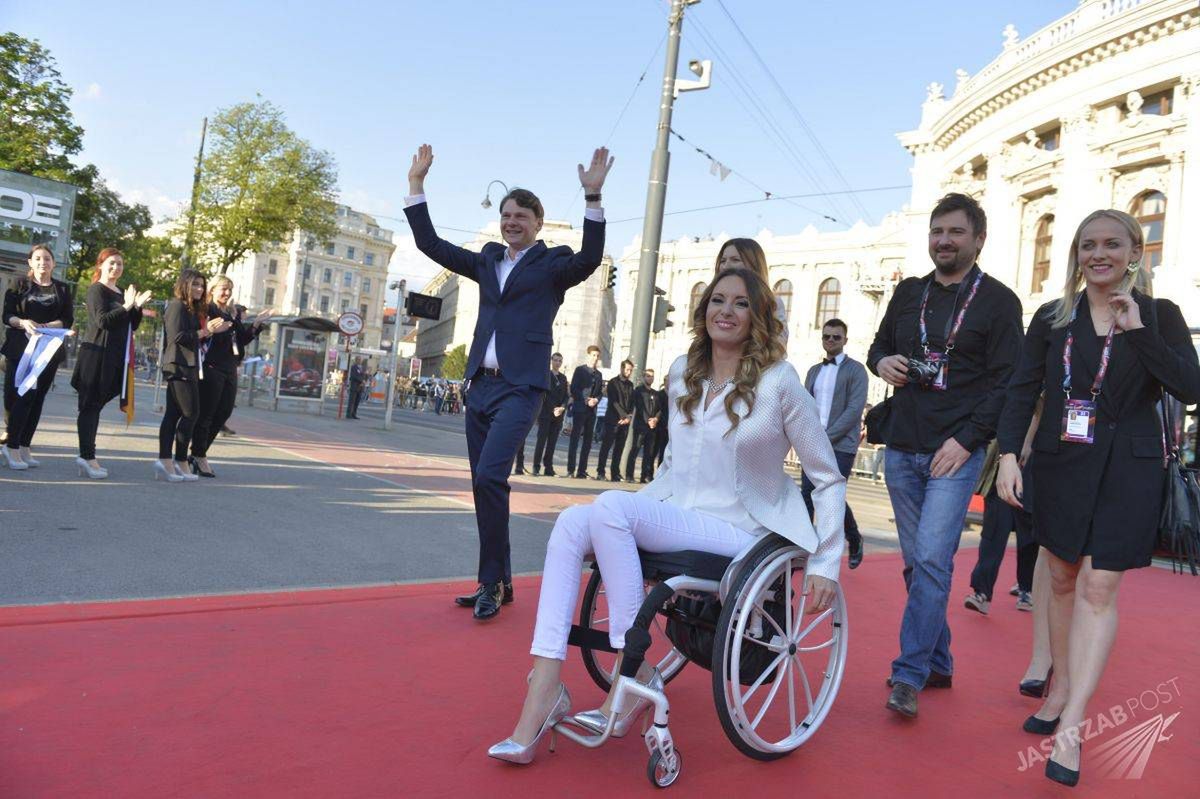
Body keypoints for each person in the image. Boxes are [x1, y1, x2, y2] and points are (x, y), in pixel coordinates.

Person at [487, 266, 846, 764]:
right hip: (681, 513)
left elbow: (827, 476)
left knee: (610, 506)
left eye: (741, 302)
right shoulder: (683, 372)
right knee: (574, 520)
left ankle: (629, 674)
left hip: (743, 532)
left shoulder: (779, 381)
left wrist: (826, 561)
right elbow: (676, 465)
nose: (726, 310)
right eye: (717, 300)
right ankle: (544, 689)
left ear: (758, 314)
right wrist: (643, 508)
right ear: (704, 311)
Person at [995, 209, 1200, 786]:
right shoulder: (1052, 318)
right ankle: (1059, 684)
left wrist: (1138, 331)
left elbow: (1190, 386)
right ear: (1077, 255)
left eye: (1112, 244)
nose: (1099, 254)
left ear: (1136, 252)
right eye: (1088, 245)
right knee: (1060, 579)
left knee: (1099, 585)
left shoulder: (1159, 315)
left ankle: (1074, 720)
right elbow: (1022, 389)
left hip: (1129, 472)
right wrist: (1010, 454)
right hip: (1062, 465)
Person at [405, 142, 612, 621]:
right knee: (483, 485)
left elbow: (590, 258)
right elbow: (431, 245)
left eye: (521, 215)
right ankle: (497, 580)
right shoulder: (487, 260)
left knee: (490, 476)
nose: (511, 222)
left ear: (538, 222)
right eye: (506, 215)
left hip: (522, 387)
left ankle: (491, 584)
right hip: (481, 384)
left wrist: (593, 199)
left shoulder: (552, 265)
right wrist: (416, 187)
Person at [867, 192, 1023, 718]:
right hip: (903, 447)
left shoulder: (1000, 303)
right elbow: (877, 347)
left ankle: (909, 674)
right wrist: (882, 360)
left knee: (932, 560)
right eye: (937, 231)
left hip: (954, 454)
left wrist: (968, 440)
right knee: (919, 565)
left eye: (956, 232)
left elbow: (1007, 384)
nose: (944, 241)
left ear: (978, 240)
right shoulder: (910, 293)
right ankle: (940, 661)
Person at [71, 248, 151, 479]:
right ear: (101, 265)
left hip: (115, 357)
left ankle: (87, 456)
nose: (116, 268)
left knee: (95, 404)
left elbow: (131, 325)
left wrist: (135, 307)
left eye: (119, 264)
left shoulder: (122, 292)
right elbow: (103, 321)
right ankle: (87, 457)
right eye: (112, 263)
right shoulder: (97, 290)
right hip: (96, 355)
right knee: (90, 406)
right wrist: (127, 306)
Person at [802, 318, 868, 568]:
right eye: (826, 336)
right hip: (813, 443)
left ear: (845, 340)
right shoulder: (814, 371)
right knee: (807, 493)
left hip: (841, 445)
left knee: (832, 497)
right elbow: (805, 405)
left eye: (836, 337)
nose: (830, 341)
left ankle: (854, 538)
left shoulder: (856, 370)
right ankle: (803, 546)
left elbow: (854, 410)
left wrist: (825, 438)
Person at [2, 244, 75, 470]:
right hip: (20, 349)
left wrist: (45, 327)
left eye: (47, 259)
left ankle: (25, 446)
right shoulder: (19, 285)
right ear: (31, 263)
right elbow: (8, 315)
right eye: (38, 259)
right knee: (23, 396)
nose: (43, 262)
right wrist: (23, 322)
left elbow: (66, 319)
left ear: (53, 263)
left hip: (48, 350)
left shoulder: (62, 289)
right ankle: (11, 446)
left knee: (37, 399)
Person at [190, 275, 269, 477]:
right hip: (211, 366)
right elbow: (203, 334)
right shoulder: (208, 310)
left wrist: (256, 324)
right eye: (223, 289)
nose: (227, 293)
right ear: (213, 290)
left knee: (224, 411)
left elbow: (241, 339)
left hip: (229, 367)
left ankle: (199, 452)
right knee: (207, 414)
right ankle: (198, 455)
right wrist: (214, 330)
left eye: (230, 289)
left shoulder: (229, 312)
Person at [157, 269, 229, 483]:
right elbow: (177, 336)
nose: (199, 289)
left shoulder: (192, 309)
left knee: (175, 414)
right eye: (195, 284)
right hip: (178, 365)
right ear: (185, 285)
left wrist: (208, 331)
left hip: (189, 365)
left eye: (201, 285)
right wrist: (205, 331)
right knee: (191, 414)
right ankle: (173, 459)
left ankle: (173, 460)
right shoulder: (177, 305)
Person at [715, 238, 788, 342]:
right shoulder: (710, 298)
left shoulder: (772, 302)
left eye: (735, 260)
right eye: (723, 261)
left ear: (754, 264)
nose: (726, 266)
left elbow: (779, 345)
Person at [567, 345, 604, 479]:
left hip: (592, 411)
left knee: (588, 441)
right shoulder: (580, 370)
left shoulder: (599, 374)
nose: (595, 358)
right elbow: (574, 388)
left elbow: (600, 392)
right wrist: (585, 399)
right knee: (575, 439)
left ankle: (582, 470)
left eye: (597, 356)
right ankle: (571, 469)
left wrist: (596, 400)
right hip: (580, 408)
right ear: (588, 355)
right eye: (593, 355)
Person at [529, 353, 569, 476]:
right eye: (555, 360)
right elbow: (544, 395)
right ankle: (536, 467)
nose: (557, 363)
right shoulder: (546, 375)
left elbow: (566, 396)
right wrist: (553, 409)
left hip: (558, 415)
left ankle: (548, 468)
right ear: (551, 361)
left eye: (560, 361)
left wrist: (562, 407)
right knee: (541, 441)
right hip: (546, 413)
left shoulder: (563, 378)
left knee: (552, 442)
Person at [595, 358, 635, 481]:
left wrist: (628, 417)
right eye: (627, 369)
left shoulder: (630, 385)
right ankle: (600, 472)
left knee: (619, 448)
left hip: (625, 421)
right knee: (606, 447)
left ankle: (615, 473)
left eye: (631, 370)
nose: (629, 372)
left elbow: (632, 403)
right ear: (622, 368)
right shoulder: (612, 382)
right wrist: (623, 416)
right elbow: (614, 402)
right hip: (612, 420)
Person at [624, 367, 661, 483]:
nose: (650, 378)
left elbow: (659, 409)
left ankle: (644, 476)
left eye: (652, 376)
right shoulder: (639, 391)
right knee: (635, 450)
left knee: (648, 453)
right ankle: (629, 475)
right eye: (648, 376)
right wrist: (648, 421)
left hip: (652, 428)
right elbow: (640, 408)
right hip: (641, 426)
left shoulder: (655, 393)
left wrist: (655, 419)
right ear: (644, 377)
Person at [653, 377, 669, 468]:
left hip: (668, 428)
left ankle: (660, 472)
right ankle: (648, 474)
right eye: (668, 381)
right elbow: (659, 410)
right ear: (665, 382)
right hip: (659, 426)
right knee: (654, 451)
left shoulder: (674, 395)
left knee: (664, 452)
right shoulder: (659, 394)